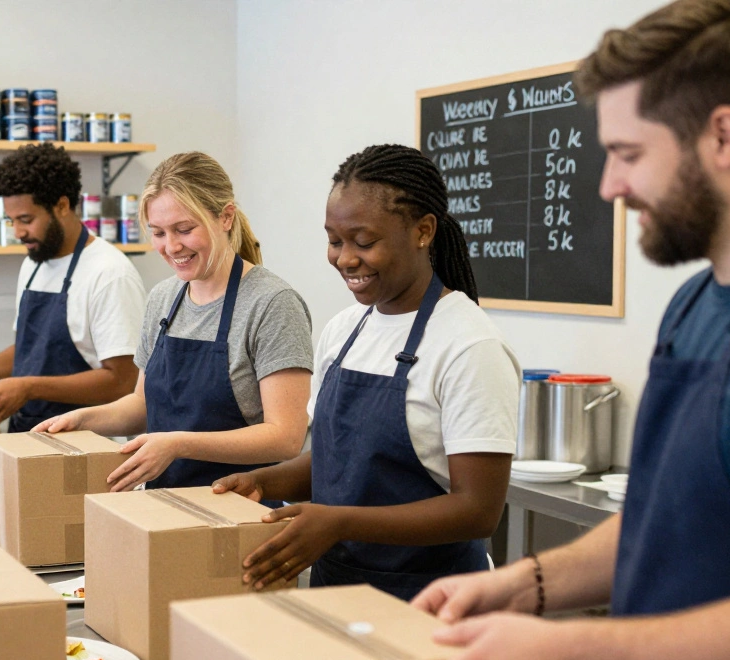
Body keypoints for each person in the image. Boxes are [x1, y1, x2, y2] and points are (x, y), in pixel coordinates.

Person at [394, 2, 730, 660]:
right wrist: (523, 585)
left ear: (723, 135)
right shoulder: (693, 304)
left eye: (628, 152)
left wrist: (568, 651)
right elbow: (655, 521)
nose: (609, 187)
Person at [212, 144, 519, 600]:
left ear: (423, 231)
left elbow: (477, 511)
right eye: (335, 240)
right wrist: (264, 481)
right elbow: (344, 463)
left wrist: (338, 522)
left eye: (364, 241)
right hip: (338, 586)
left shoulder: (470, 345)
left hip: (431, 598)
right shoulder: (344, 330)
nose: (345, 259)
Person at [35, 151, 313, 493]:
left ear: (226, 217)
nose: (171, 246)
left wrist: (179, 444)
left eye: (184, 229)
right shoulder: (164, 298)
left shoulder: (271, 303)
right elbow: (141, 405)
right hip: (163, 506)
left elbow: (285, 437)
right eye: (159, 233)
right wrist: (84, 419)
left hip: (237, 509)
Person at [0, 143, 146, 433]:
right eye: (11, 221)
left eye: (26, 220)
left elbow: (122, 382)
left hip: (85, 442)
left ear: (61, 206)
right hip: (29, 432)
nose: (17, 232)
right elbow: (31, 351)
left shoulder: (109, 274)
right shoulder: (35, 263)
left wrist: (29, 387)